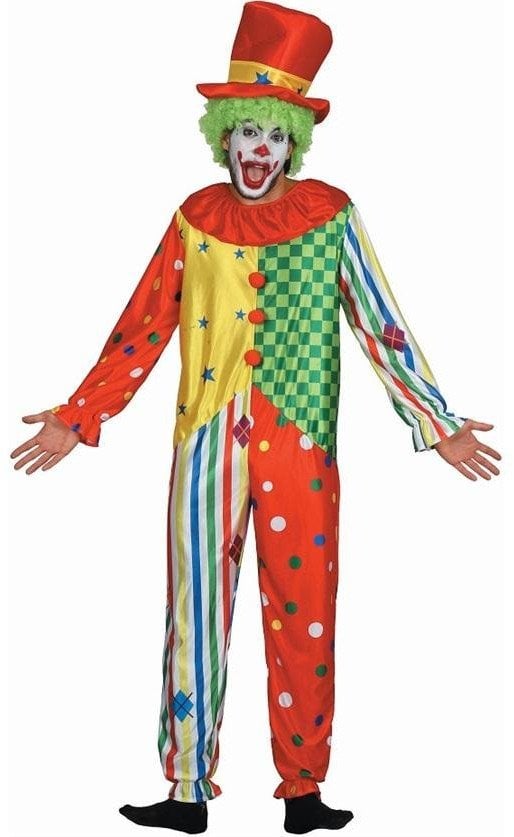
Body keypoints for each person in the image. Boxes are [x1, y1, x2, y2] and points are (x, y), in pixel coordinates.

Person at [10, 2, 501, 834]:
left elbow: (378, 320)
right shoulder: (194, 218)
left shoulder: (330, 214)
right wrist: (80, 413)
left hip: (299, 439)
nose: (260, 150)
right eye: (247, 133)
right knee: (193, 607)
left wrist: (433, 418)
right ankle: (186, 790)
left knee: (305, 607)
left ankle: (303, 791)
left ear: (293, 145)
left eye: (275, 135)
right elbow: (143, 324)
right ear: (225, 138)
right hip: (206, 438)